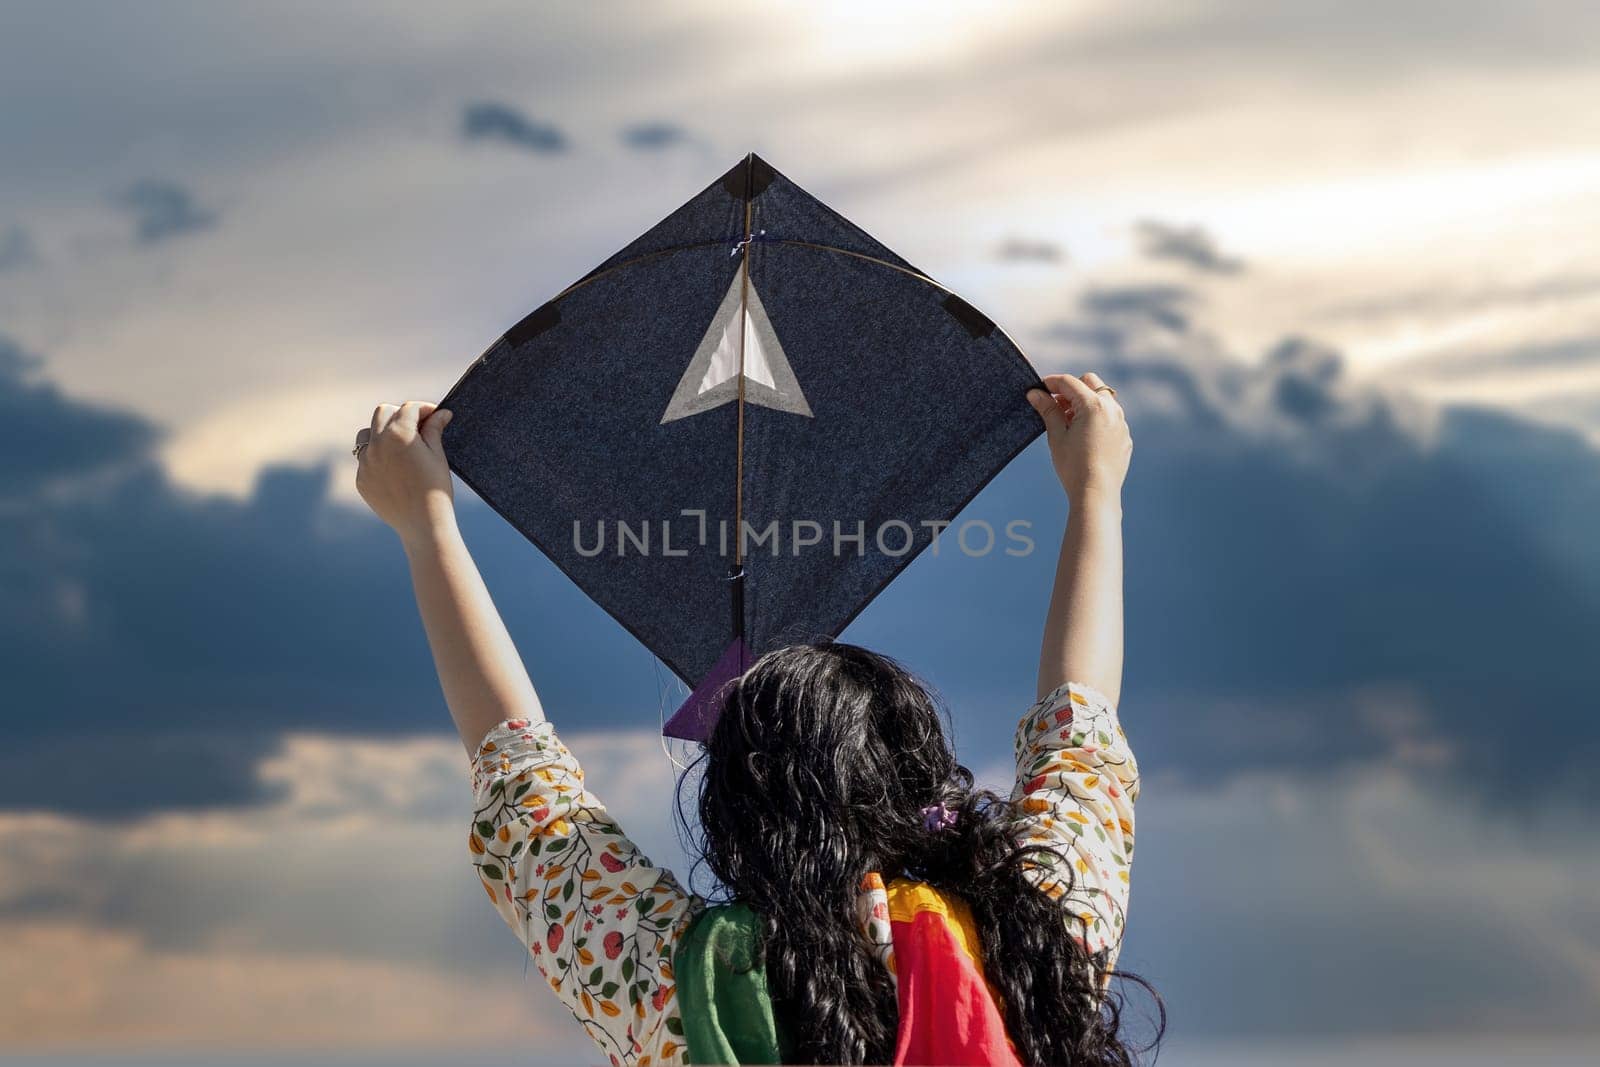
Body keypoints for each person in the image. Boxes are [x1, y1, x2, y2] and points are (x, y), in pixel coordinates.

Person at [355, 371, 1156, 1065]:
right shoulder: (1044, 945)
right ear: (922, 773)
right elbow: (1079, 723)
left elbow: (522, 778)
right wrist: (1096, 494)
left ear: (736, 809)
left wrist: (427, 528)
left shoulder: (676, 984)